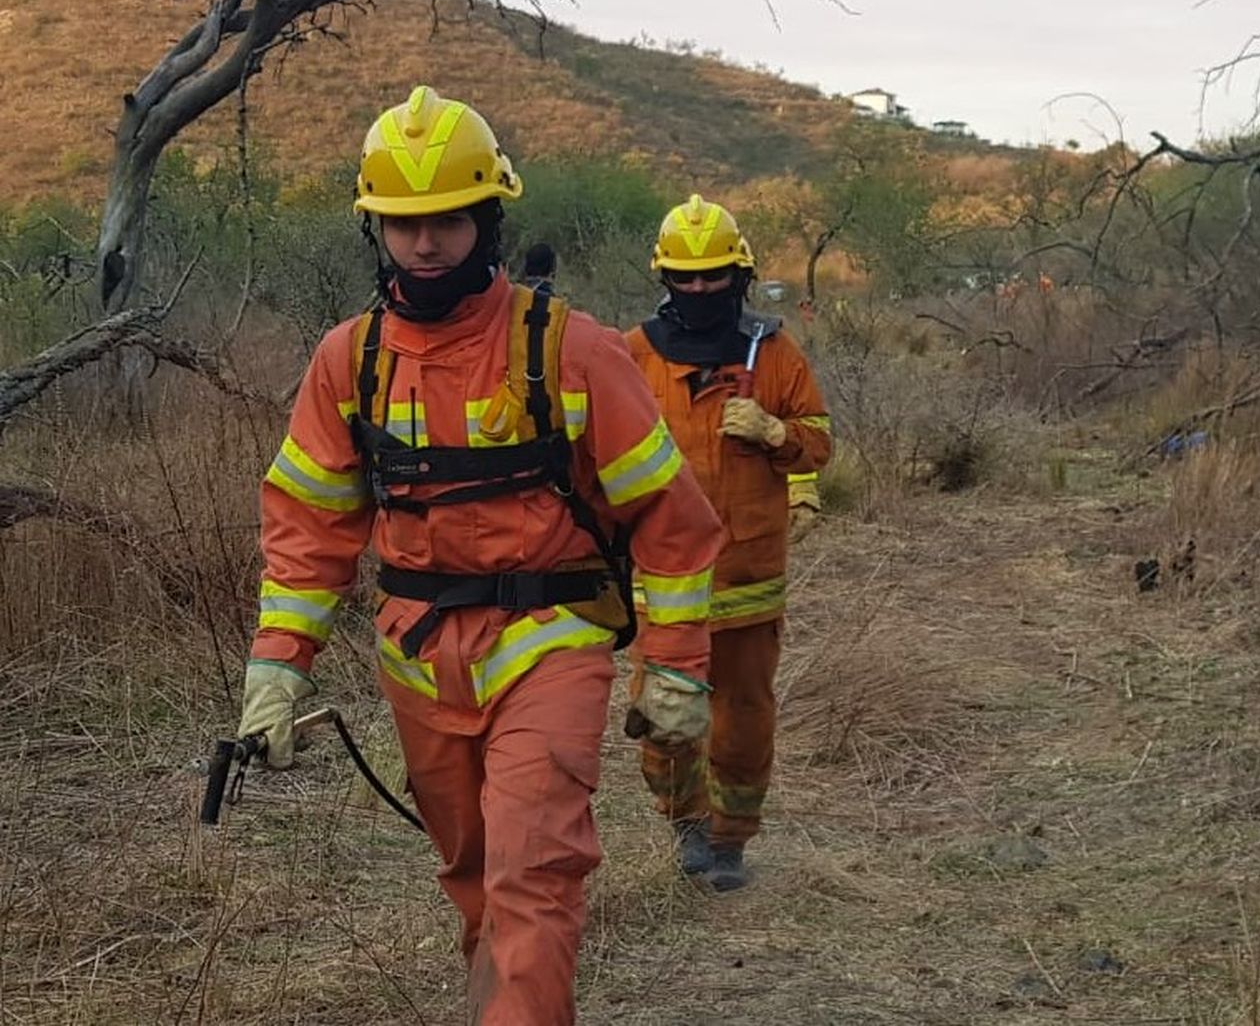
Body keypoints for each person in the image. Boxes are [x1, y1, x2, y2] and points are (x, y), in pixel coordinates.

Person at [235, 86, 722, 1024]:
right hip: (417, 659)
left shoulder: (572, 349)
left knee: (533, 870)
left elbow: (671, 520)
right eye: (406, 225)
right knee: (473, 874)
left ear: (488, 216)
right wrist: (277, 667)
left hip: (551, 641)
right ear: (375, 230)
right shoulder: (350, 360)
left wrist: (675, 667)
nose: (427, 245)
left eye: (449, 220)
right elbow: (309, 529)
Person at [624, 193, 832, 892]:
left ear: (739, 274)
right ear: (664, 277)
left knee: (742, 720)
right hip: (663, 584)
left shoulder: (773, 353)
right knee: (663, 716)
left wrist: (778, 434)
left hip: (749, 577)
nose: (699, 288)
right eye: (685, 276)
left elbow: (821, 443)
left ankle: (730, 839)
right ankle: (684, 823)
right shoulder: (634, 355)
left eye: (714, 275)